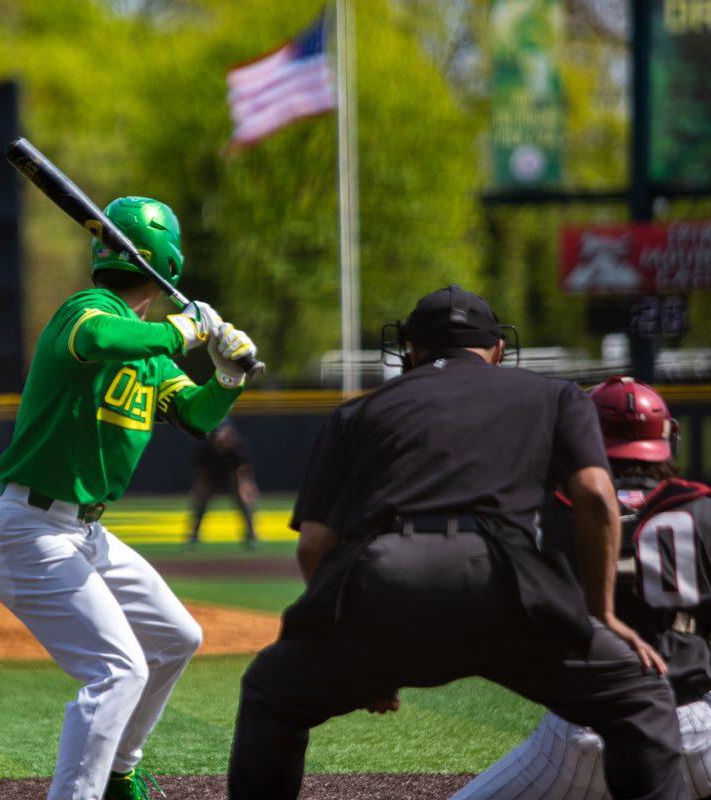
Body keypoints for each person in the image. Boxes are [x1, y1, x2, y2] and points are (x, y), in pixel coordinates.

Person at [227, 285, 684, 800]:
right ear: (498, 349)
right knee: (639, 698)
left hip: (385, 582)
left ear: (412, 350)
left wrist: (358, 645)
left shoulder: (356, 413)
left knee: (272, 693)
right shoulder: (555, 395)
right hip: (504, 584)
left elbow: (314, 544)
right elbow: (598, 500)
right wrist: (602, 614)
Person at [0, 196, 259, 800]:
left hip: (85, 533)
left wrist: (228, 376)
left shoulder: (153, 352)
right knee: (117, 670)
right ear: (169, 263)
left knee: (177, 638)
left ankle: (119, 772)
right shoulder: (88, 309)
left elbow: (195, 415)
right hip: (27, 529)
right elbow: (101, 338)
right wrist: (184, 329)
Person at [455, 375, 711, 800]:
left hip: (585, 736)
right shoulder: (701, 508)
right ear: (668, 439)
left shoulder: (547, 510)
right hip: (699, 734)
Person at [186, 421, 259, 548]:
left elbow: (242, 471)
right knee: (200, 503)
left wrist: (247, 488)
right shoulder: (205, 448)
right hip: (211, 476)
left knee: (244, 503)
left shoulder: (238, 447)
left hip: (233, 476)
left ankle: (251, 536)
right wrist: (199, 490)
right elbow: (202, 474)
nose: (222, 441)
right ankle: (193, 536)